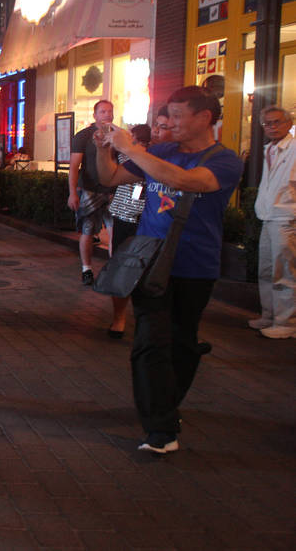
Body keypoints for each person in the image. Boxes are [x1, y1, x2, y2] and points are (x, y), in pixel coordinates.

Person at [95, 86, 242, 454]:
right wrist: (103, 148)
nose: (171, 123)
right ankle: (160, 430)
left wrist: (131, 148)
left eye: (178, 116)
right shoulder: (161, 151)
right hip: (151, 259)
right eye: (169, 115)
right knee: (149, 341)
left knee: (182, 342)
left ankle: (164, 406)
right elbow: (111, 178)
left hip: (195, 263)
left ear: (204, 118)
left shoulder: (225, 160)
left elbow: (186, 182)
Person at [248, 106, 296, 339]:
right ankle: (269, 314)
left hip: (286, 216)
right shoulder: (270, 148)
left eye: (277, 122)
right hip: (268, 215)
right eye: (267, 123)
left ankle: (287, 321)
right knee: (266, 269)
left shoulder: (294, 147)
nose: (272, 127)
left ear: (288, 123)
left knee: (284, 270)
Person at [104, 123, 152, 339]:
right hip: (123, 218)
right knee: (120, 267)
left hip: (147, 222)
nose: (132, 144)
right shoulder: (126, 159)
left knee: (147, 272)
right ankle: (119, 318)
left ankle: (144, 319)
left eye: (136, 140)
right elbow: (108, 172)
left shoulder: (155, 161)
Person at [68, 100, 117, 285]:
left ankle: (112, 269)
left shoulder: (117, 135)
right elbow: (74, 167)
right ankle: (86, 268)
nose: (107, 115)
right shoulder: (83, 136)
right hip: (90, 191)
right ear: (95, 115)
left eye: (110, 111)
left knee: (114, 231)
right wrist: (73, 193)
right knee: (87, 230)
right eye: (103, 111)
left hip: (112, 191)